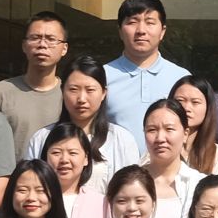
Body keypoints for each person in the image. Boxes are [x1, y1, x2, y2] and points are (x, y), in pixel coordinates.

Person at [27, 57, 143, 190]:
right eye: (73, 89)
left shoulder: (121, 139)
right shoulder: (41, 138)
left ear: (103, 93)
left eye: (90, 90)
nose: (81, 99)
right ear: (62, 91)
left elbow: (131, 190)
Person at [102, 0, 189, 146]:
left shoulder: (182, 78)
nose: (141, 30)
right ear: (120, 31)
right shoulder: (102, 76)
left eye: (150, 22)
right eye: (132, 22)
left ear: (162, 31)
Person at [0, 12, 70, 157]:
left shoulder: (70, 95)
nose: (42, 45)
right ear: (24, 45)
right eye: (35, 38)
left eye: (51, 39)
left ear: (64, 48)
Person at [139, 99, 207, 218]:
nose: (160, 138)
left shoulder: (199, 184)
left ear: (185, 134)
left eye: (169, 129)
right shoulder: (128, 183)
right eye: (152, 130)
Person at [42, 123, 108, 218]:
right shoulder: (35, 200)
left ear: (86, 158)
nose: (64, 160)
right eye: (56, 153)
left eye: (72, 153)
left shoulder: (102, 203)